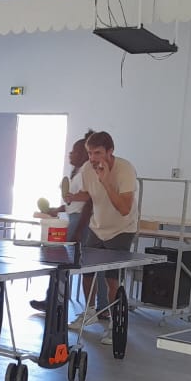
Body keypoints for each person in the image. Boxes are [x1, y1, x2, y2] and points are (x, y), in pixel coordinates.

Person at [30, 133, 109, 322]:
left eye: (74, 151)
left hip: (81, 221)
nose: (70, 154)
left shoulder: (85, 172)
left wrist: (79, 229)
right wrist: (56, 209)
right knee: (86, 265)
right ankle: (98, 305)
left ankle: (98, 305)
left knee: (74, 264)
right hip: (74, 219)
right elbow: (73, 202)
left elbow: (89, 201)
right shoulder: (78, 172)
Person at [69, 130, 138, 345]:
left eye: (97, 153)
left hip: (121, 229)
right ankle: (89, 313)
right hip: (97, 228)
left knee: (112, 279)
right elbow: (90, 194)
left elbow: (124, 209)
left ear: (110, 151)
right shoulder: (86, 169)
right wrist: (72, 197)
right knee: (87, 272)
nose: (92, 158)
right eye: (90, 153)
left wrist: (106, 181)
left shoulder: (125, 170)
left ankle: (113, 325)